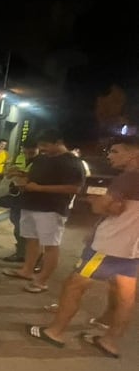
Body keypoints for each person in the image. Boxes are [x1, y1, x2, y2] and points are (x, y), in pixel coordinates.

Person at [26, 136, 139, 358]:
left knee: (74, 285)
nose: (109, 155)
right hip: (133, 251)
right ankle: (109, 341)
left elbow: (106, 207)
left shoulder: (129, 178)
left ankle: (55, 332)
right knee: (126, 296)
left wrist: (96, 201)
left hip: (108, 247)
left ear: (133, 154)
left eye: (115, 152)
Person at [2, 129, 85, 293]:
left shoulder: (72, 162)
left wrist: (40, 188)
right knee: (31, 240)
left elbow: (75, 188)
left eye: (45, 145)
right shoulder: (42, 158)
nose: (42, 149)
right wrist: (20, 174)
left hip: (51, 209)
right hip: (30, 204)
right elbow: (36, 177)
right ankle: (27, 270)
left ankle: (41, 281)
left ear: (58, 143)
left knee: (50, 245)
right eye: (41, 145)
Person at [2, 139, 39, 262]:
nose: (29, 151)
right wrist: (10, 172)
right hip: (17, 196)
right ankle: (21, 253)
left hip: (33, 198)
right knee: (17, 224)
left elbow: (39, 177)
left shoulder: (43, 162)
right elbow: (9, 172)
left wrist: (20, 173)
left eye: (32, 148)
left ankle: (34, 257)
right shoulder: (20, 157)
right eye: (26, 148)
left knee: (32, 230)